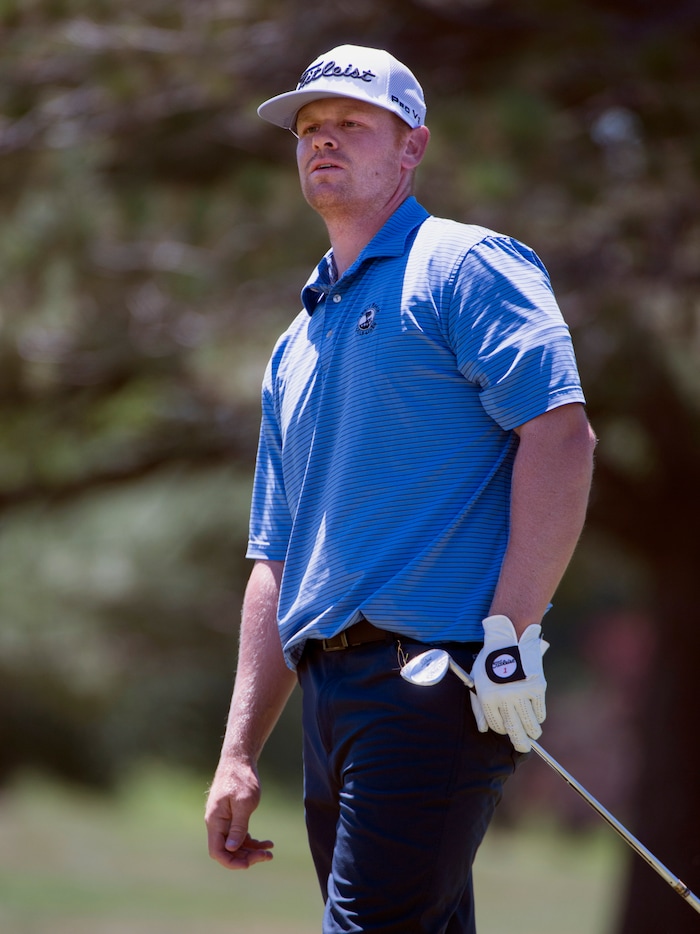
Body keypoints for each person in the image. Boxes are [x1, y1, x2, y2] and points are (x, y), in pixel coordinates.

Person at [205, 44, 597, 933]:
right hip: (330, 698)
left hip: (439, 680)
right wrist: (237, 751)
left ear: (411, 146)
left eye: (351, 123)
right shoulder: (295, 340)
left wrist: (511, 635)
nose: (323, 142)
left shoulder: (464, 265)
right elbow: (275, 558)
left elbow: (562, 436)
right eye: (309, 128)